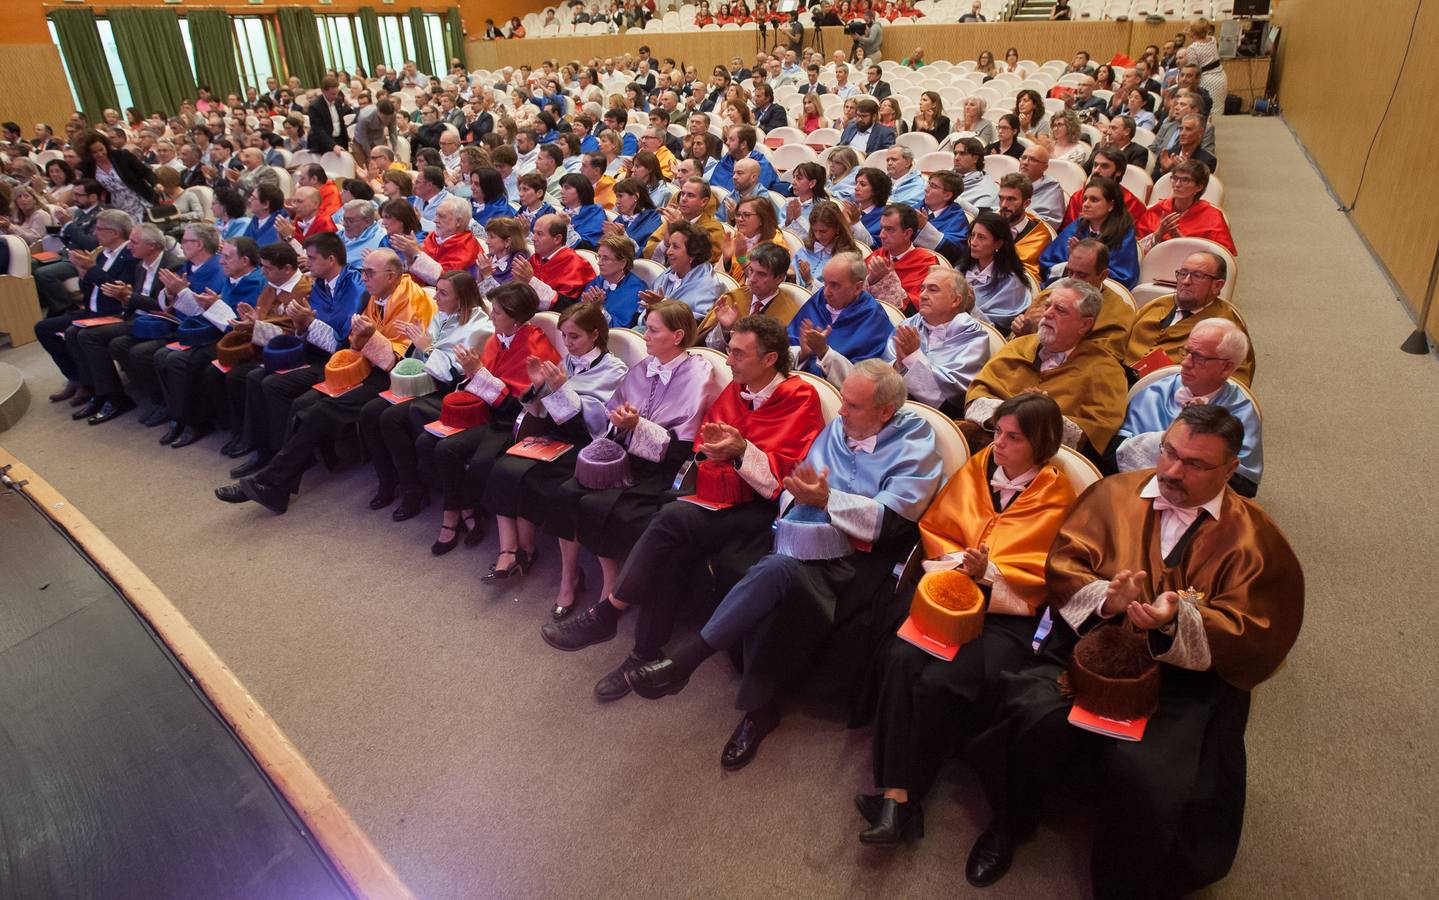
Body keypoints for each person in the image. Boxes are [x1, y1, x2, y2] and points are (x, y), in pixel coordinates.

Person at [965, 404, 1303, 896]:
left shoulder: (1255, 541)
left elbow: (1257, 632)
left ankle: (1120, 884)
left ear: (1231, 469)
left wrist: (1178, 621)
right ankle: (1010, 823)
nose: (1171, 470)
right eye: (1168, 452)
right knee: (1032, 716)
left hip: (1183, 682)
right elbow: (1064, 564)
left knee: (1147, 775)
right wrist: (1105, 599)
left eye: (1194, 464)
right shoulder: (1114, 493)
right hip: (1088, 650)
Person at [626, 360, 942, 767]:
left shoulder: (917, 443)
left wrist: (829, 503)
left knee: (776, 572)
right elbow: (796, 485)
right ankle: (746, 699)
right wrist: (804, 505)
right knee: (773, 569)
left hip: (859, 559)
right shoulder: (841, 427)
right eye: (843, 402)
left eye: (854, 406)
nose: (841, 413)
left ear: (886, 411)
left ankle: (711, 676)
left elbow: (893, 522)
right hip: (803, 534)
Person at [539, 315, 825, 707]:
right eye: (729, 349)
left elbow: (786, 475)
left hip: (760, 508)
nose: (728, 360)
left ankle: (609, 614)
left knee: (672, 518)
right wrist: (720, 450)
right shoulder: (738, 390)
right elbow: (702, 442)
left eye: (739, 353)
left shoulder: (799, 397)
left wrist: (740, 452)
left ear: (770, 358)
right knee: (671, 546)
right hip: (715, 493)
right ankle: (644, 654)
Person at [859, 393, 1077, 844]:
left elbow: (1050, 573)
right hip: (949, 591)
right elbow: (937, 528)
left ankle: (899, 800)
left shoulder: (1059, 494)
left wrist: (992, 573)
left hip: (1007, 615)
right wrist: (963, 563)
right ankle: (900, 797)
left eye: (1014, 438)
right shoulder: (979, 466)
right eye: (998, 431)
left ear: (1041, 442)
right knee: (900, 658)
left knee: (938, 681)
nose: (999, 443)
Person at [216, 248, 436, 513]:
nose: (363, 277)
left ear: (391, 276)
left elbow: (395, 360)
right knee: (302, 406)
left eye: (369, 272)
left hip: (397, 375)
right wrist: (308, 325)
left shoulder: (413, 300)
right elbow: (352, 341)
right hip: (363, 364)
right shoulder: (375, 295)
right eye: (362, 271)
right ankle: (276, 487)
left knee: (318, 413)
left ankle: (269, 482)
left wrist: (368, 337)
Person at [481, 300, 628, 588]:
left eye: (575, 337)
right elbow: (541, 410)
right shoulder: (568, 362)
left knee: (533, 478)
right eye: (564, 336)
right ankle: (511, 551)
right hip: (554, 434)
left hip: (586, 445)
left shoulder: (614, 369)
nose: (568, 344)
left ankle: (537, 556)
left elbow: (597, 423)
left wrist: (560, 389)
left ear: (595, 334)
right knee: (504, 468)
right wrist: (538, 387)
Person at [224, 233, 368, 475]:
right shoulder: (320, 285)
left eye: (311, 258)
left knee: (273, 384)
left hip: (339, 362)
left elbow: (342, 345)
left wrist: (307, 324)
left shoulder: (353, 287)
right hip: (313, 352)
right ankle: (265, 448)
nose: (306, 263)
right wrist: (303, 326)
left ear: (331, 259)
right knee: (253, 377)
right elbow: (303, 331)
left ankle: (280, 456)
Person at [966, 278, 1128, 459]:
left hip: (1049, 462)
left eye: (1060, 310)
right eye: (1048, 305)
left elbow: (1097, 434)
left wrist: (1043, 416)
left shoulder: (1106, 369)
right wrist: (1017, 412)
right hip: (985, 444)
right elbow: (976, 396)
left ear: (1085, 325)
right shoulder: (1017, 346)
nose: (1047, 314)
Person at [1117, 318, 1262, 495]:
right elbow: (1114, 455)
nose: (1185, 363)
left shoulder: (1241, 411)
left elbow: (1245, 487)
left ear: (1226, 367)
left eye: (1199, 358)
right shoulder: (1155, 391)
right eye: (1186, 352)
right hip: (1134, 491)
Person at [65, 223, 181, 425]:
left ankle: (116, 397)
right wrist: (125, 295)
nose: (129, 247)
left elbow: (164, 307)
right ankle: (99, 391)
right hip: (135, 317)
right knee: (77, 332)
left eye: (135, 242)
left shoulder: (172, 266)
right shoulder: (140, 265)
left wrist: (128, 296)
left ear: (151, 245)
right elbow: (134, 298)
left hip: (158, 322)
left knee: (89, 336)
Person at [208, 242, 315, 452]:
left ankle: (261, 444)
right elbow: (268, 320)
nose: (263, 272)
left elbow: (294, 335)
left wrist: (255, 326)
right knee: (223, 372)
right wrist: (253, 319)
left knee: (249, 378)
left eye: (268, 268)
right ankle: (241, 433)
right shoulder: (271, 286)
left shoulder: (303, 290)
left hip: (293, 353)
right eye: (262, 266)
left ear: (286, 268)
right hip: (265, 346)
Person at [34, 210, 139, 405]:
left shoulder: (130, 256)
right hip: (91, 311)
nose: (95, 234)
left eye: (99, 229)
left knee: (77, 332)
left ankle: (98, 390)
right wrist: (83, 273)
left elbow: (116, 290)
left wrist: (90, 269)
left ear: (115, 232)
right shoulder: (103, 254)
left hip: (113, 313)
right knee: (44, 328)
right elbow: (88, 289)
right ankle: (77, 378)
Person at [1123, 250, 1255, 384]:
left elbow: (1236, 382)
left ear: (1217, 285)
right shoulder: (1156, 305)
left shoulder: (1227, 327)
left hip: (1173, 397)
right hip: (1120, 384)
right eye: (1182, 273)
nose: (1185, 281)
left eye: (1197, 276)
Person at [883, 268, 991, 413]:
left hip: (938, 417)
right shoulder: (908, 325)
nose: (922, 296)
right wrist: (899, 364)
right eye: (922, 289)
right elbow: (882, 374)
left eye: (932, 290)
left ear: (955, 300)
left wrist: (913, 358)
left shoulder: (973, 336)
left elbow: (951, 398)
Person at [1011, 238, 1134, 357]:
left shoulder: (1119, 314)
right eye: (1070, 272)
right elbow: (1019, 345)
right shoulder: (1050, 294)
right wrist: (1023, 332)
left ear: (1102, 275)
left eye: (1081, 275)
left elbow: (1102, 360)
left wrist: (1060, 334)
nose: (1073, 281)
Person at [788, 253, 895, 386]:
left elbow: (865, 380)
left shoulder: (873, 317)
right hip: (793, 383)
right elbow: (783, 348)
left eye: (835, 285)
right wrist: (802, 353)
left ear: (857, 287)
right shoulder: (819, 300)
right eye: (825, 283)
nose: (826, 291)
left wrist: (824, 353)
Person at [1041, 177, 1140, 289]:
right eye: (1085, 199)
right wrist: (1071, 262)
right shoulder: (1076, 227)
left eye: (1094, 200)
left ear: (1111, 205)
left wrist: (1084, 263)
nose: (1086, 204)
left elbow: (1124, 278)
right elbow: (1047, 263)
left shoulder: (1123, 235)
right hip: (1063, 287)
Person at [701, 243, 802, 348]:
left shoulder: (791, 316)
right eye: (751, 270)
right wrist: (724, 328)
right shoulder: (733, 298)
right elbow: (708, 347)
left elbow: (783, 360)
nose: (752, 279)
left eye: (761, 274)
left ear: (780, 278)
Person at [1139, 159, 1235, 255]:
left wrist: (1178, 237)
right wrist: (1159, 233)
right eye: (1175, 178)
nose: (1177, 184)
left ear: (1199, 187)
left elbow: (1221, 257)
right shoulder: (1157, 209)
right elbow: (1135, 251)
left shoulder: (1212, 216)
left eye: (1185, 180)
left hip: (1193, 269)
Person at [960, 212, 1033, 334]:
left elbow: (1000, 330)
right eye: (972, 235)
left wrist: (972, 308)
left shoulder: (1012, 283)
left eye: (981, 237)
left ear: (998, 243)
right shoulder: (960, 269)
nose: (973, 242)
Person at [862, 204, 940, 313]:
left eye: (889, 229)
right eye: (882, 228)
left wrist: (886, 280)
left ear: (907, 233)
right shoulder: (878, 255)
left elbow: (919, 308)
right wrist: (871, 280)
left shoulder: (926, 263)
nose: (881, 235)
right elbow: (852, 294)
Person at [641, 221, 724, 323]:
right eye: (669, 246)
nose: (668, 252)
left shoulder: (710, 286)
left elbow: (697, 325)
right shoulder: (667, 274)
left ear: (693, 253)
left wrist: (663, 307)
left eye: (675, 247)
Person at [513, 213, 599, 310]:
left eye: (540, 234)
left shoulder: (575, 263)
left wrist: (531, 281)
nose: (533, 238)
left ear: (557, 239)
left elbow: (566, 305)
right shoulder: (536, 258)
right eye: (534, 232)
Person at [75, 128, 156, 224]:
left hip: (139, 200)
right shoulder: (87, 167)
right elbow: (89, 188)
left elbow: (146, 172)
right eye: (94, 152)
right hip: (115, 206)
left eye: (101, 149)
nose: (100, 154)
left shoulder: (121, 156)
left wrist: (156, 183)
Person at [644, 177, 725, 264]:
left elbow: (701, 261)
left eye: (690, 195)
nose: (683, 199)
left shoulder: (714, 229)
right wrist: (665, 244)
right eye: (682, 194)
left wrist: (681, 228)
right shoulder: (672, 220)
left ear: (704, 202)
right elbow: (647, 251)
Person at [994, 174, 1053, 285]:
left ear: (1026, 203)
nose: (1003, 205)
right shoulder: (987, 224)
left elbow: (1032, 279)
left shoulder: (1039, 235)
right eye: (1001, 198)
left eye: (1011, 199)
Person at [580, 233, 648, 328]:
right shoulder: (596, 282)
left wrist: (599, 309)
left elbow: (621, 330)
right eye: (599, 257)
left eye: (605, 258)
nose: (599, 263)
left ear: (622, 263)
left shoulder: (636, 290)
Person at [1016, 146, 1064, 231]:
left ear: (1044, 167)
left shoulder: (1052, 188)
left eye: (1033, 160)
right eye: (1023, 158)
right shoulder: (1013, 181)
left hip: (1033, 238)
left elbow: (1049, 226)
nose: (1025, 162)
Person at [305, 78, 352, 155]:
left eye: (336, 93)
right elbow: (318, 129)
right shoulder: (315, 107)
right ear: (323, 91)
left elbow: (340, 123)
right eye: (332, 94)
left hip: (340, 140)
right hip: (325, 144)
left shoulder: (337, 101)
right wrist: (333, 145)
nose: (335, 96)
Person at [953, 138, 999, 212]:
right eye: (955, 153)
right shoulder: (943, 176)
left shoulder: (986, 188)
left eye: (962, 154)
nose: (956, 158)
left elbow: (982, 217)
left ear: (975, 158)